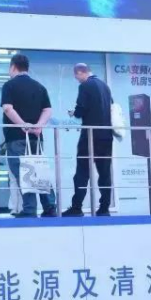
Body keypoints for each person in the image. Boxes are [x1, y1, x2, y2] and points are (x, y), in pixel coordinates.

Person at [1, 53, 57, 217]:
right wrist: (38, 126)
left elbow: (7, 108)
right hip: (36, 137)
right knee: (39, 170)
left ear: (13, 67)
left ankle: (29, 209)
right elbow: (48, 110)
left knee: (22, 172)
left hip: (16, 137)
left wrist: (22, 124)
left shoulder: (9, 85)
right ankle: (50, 207)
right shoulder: (39, 87)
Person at [63, 63, 115, 217]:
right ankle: (104, 208)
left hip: (90, 136)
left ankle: (76, 207)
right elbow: (110, 107)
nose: (76, 79)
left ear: (80, 72)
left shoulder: (85, 86)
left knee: (82, 172)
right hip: (106, 135)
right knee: (104, 173)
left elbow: (81, 110)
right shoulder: (105, 86)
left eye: (76, 75)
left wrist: (74, 113)